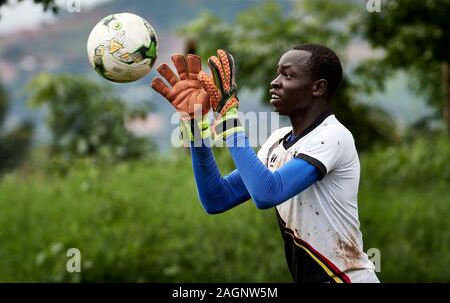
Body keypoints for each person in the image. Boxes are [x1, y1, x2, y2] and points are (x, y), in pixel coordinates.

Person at [150, 44, 379, 283]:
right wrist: (195, 124)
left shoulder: (333, 135)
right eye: (278, 73)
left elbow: (268, 193)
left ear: (318, 88)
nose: (275, 82)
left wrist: (229, 121)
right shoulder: (277, 142)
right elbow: (216, 199)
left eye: (288, 75)